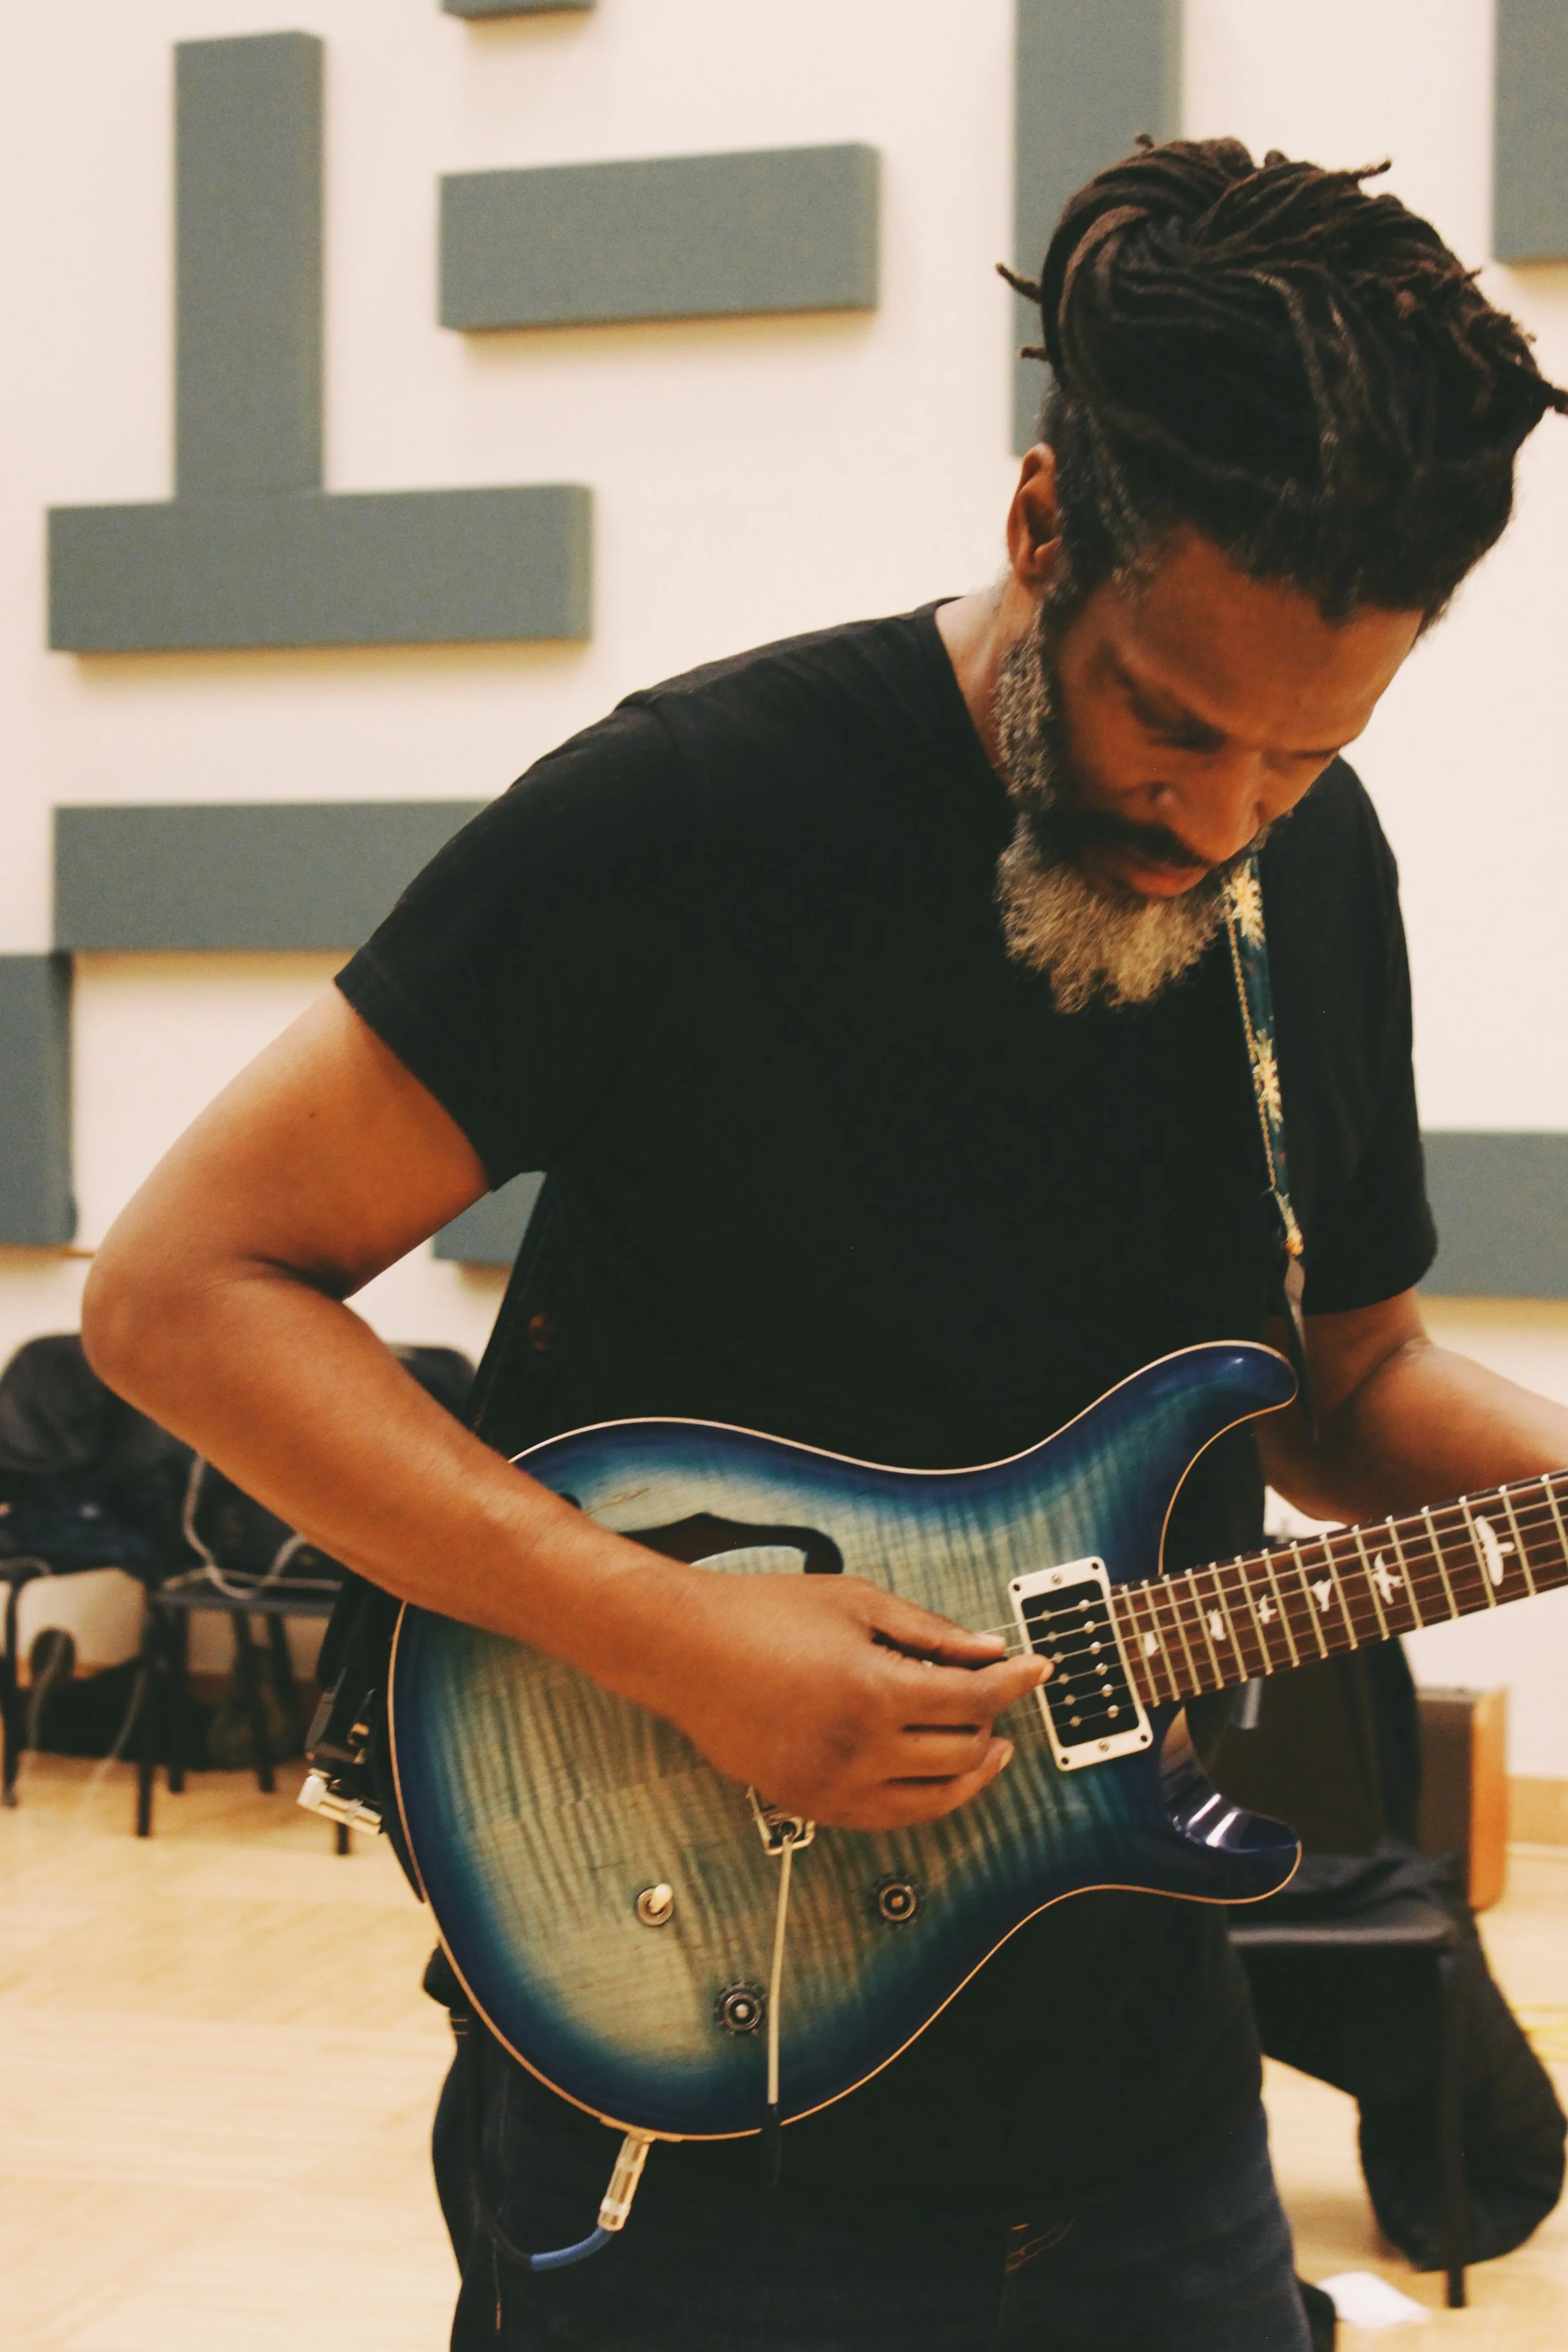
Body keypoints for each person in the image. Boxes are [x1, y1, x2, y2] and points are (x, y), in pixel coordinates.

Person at [83, 139, 1568, 2351]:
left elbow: (1339, 1384)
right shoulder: (696, 817)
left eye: (1305, 747)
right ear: (1043, 524)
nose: (1215, 820)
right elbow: (175, 1292)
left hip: (1142, 2109)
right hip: (689, 2098)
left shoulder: (1304, 872)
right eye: (1171, 720)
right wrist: (679, 1641)